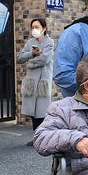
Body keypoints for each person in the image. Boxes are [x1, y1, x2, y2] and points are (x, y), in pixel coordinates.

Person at [17, 18, 54, 146]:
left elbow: (44, 59)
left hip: (43, 81)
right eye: (33, 27)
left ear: (44, 28)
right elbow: (20, 58)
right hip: (31, 82)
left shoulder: (49, 42)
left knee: (42, 111)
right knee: (32, 111)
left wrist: (30, 63)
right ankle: (37, 137)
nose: (34, 30)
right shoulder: (30, 42)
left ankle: (43, 138)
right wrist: (31, 54)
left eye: (37, 27)